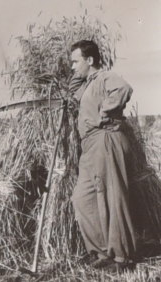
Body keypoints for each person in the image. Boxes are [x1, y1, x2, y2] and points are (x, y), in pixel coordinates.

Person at [69, 40, 136, 272]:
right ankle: (100, 252)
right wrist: (80, 72)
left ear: (90, 60)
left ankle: (121, 258)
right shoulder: (87, 85)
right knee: (83, 198)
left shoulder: (105, 77)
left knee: (113, 197)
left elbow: (124, 89)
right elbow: (72, 90)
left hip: (105, 139)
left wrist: (103, 114)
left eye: (75, 61)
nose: (72, 67)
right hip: (89, 147)